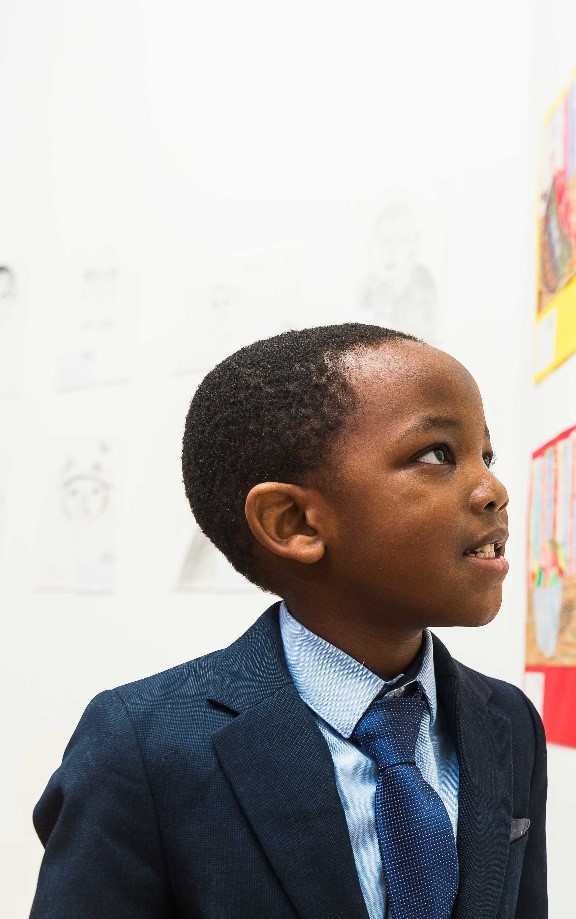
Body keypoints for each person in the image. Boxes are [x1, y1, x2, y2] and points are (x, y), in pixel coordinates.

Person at [30, 324, 547, 919]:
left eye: (487, 455)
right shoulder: (142, 746)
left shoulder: (507, 722)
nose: (493, 489)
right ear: (293, 523)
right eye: (436, 455)